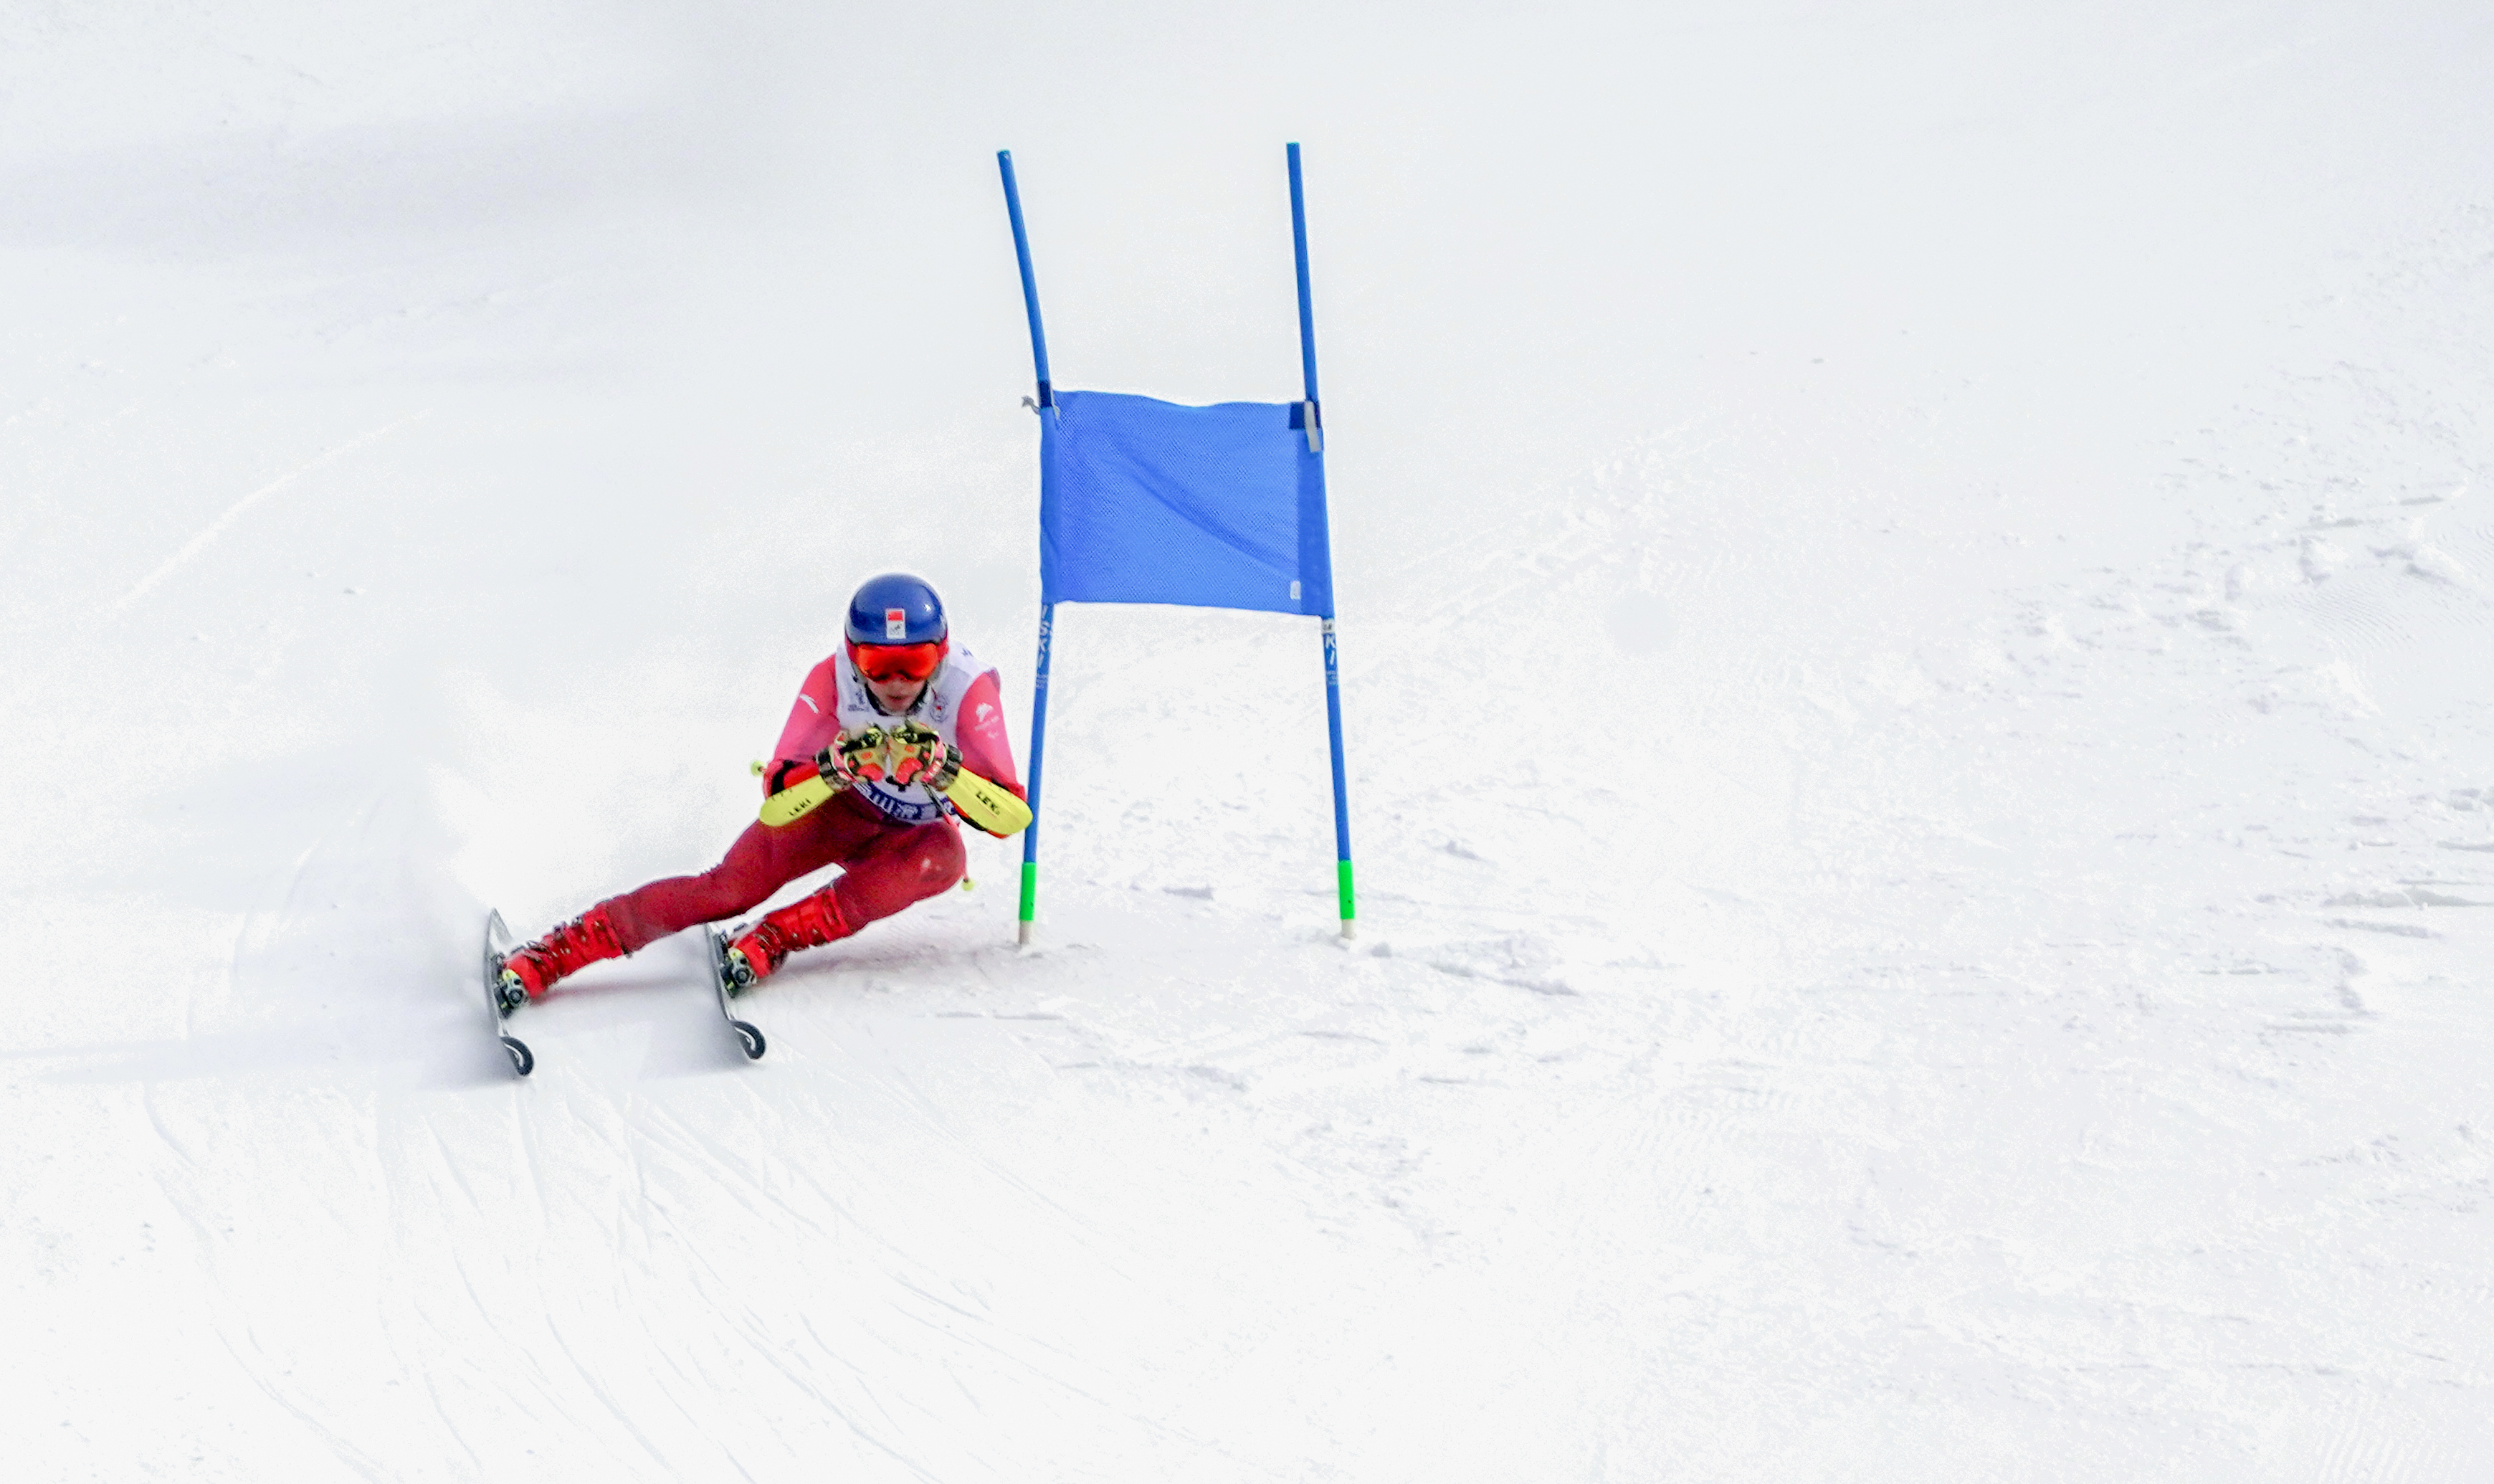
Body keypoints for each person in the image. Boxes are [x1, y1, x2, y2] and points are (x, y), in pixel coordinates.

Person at [494, 572, 1024, 1009]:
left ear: (943, 655)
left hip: (907, 837)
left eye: (915, 662)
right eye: (876, 664)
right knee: (728, 889)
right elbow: (777, 800)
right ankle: (555, 952)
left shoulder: (967, 690)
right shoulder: (831, 679)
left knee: (944, 858)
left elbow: (1008, 816)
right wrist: (835, 769)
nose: (896, 682)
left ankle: (773, 938)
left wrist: (944, 770)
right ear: (851, 655)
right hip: (837, 811)